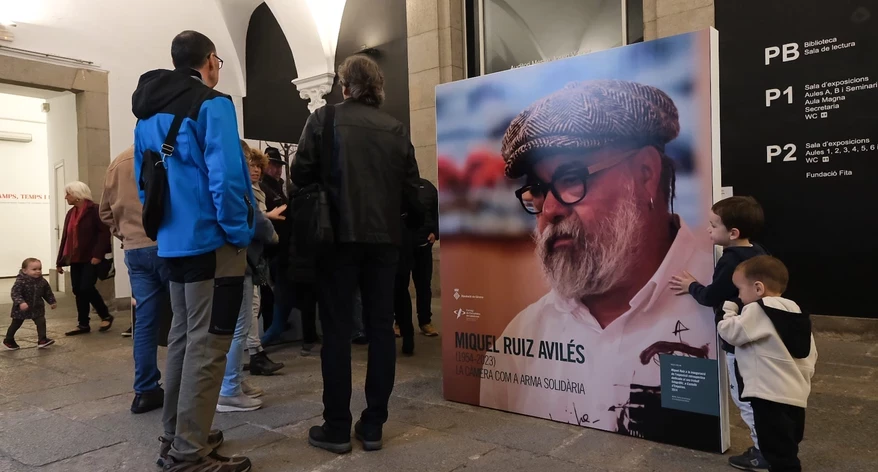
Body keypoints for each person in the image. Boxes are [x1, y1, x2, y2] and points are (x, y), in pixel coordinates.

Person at [479, 80, 717, 444]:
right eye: (538, 191)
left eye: (571, 179)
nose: (550, 210)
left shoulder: (719, 307)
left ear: (645, 174)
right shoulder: (522, 339)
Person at [133, 30, 254, 472]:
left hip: (171, 243)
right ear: (209, 61)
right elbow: (227, 177)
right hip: (211, 241)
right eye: (218, 61)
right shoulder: (212, 104)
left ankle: (179, 433)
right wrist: (238, 233)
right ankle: (188, 452)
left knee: (183, 340)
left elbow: (145, 183)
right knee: (210, 345)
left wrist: (166, 232)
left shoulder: (146, 114)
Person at [292, 54, 423, 454]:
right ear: (378, 88)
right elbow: (412, 188)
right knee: (381, 329)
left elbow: (300, 173)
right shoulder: (396, 128)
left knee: (336, 332)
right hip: (384, 241)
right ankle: (373, 425)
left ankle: (336, 427)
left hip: (336, 239)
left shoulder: (324, 118)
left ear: (344, 85)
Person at [669, 195, 768, 470]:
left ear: (733, 233)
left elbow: (712, 296)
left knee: (744, 396)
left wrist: (691, 286)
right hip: (758, 334)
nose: (708, 230)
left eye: (713, 225)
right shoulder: (759, 251)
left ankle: (764, 452)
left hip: (737, 340)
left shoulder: (731, 260)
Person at [719, 256, 817, 472]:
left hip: (768, 395)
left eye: (740, 289)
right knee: (786, 447)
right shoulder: (796, 311)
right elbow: (810, 354)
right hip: (795, 395)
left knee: (775, 452)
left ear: (758, 288)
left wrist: (728, 311)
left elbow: (732, 333)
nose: (739, 296)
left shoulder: (758, 309)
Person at [100, 145, 170, 414]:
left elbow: (105, 212)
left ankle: (145, 390)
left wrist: (127, 235)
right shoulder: (167, 151)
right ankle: (186, 391)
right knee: (187, 319)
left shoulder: (118, 161)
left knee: (145, 323)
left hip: (135, 250)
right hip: (169, 244)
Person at [217, 145, 281, 413]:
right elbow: (254, 219)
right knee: (239, 326)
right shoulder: (236, 184)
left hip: (228, 259)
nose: (254, 169)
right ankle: (229, 390)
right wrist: (273, 235)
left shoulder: (218, 178)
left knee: (236, 325)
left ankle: (233, 382)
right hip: (240, 258)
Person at [240, 143, 285, 375]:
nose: (256, 170)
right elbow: (254, 220)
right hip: (247, 255)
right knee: (250, 306)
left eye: (259, 166)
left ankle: (255, 353)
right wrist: (270, 225)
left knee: (252, 305)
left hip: (255, 255)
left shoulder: (258, 189)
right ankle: (253, 355)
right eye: (252, 165)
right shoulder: (247, 189)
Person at [56, 181, 114, 336]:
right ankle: (83, 324)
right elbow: (66, 238)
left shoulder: (95, 210)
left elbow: (104, 234)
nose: (66, 197)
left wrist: (98, 255)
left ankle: (105, 315)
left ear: (77, 195)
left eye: (68, 194)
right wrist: (60, 261)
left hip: (90, 257)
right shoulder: (71, 213)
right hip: (75, 258)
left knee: (86, 287)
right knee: (77, 290)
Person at [260, 146, 295, 347]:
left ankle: (274, 327)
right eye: (273, 165)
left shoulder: (277, 187)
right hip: (270, 249)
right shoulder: (263, 187)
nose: (277, 169)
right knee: (269, 292)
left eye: (279, 165)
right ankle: (270, 331)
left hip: (280, 247)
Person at [3, 258, 56, 350]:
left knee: (41, 321)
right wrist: (21, 302)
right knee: (16, 323)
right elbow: (15, 293)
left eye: (39, 269)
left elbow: (47, 292)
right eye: (34, 269)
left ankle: (42, 340)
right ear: (24, 270)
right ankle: (9, 340)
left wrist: (52, 301)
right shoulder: (21, 281)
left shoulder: (42, 281)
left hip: (37, 307)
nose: (38, 271)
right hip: (21, 309)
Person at [412, 178, 439, 336]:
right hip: (403, 247)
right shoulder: (395, 184)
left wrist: (435, 233)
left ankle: (425, 322)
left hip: (424, 246)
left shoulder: (428, 187)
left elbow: (437, 212)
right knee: (399, 287)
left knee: (423, 286)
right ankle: (399, 322)